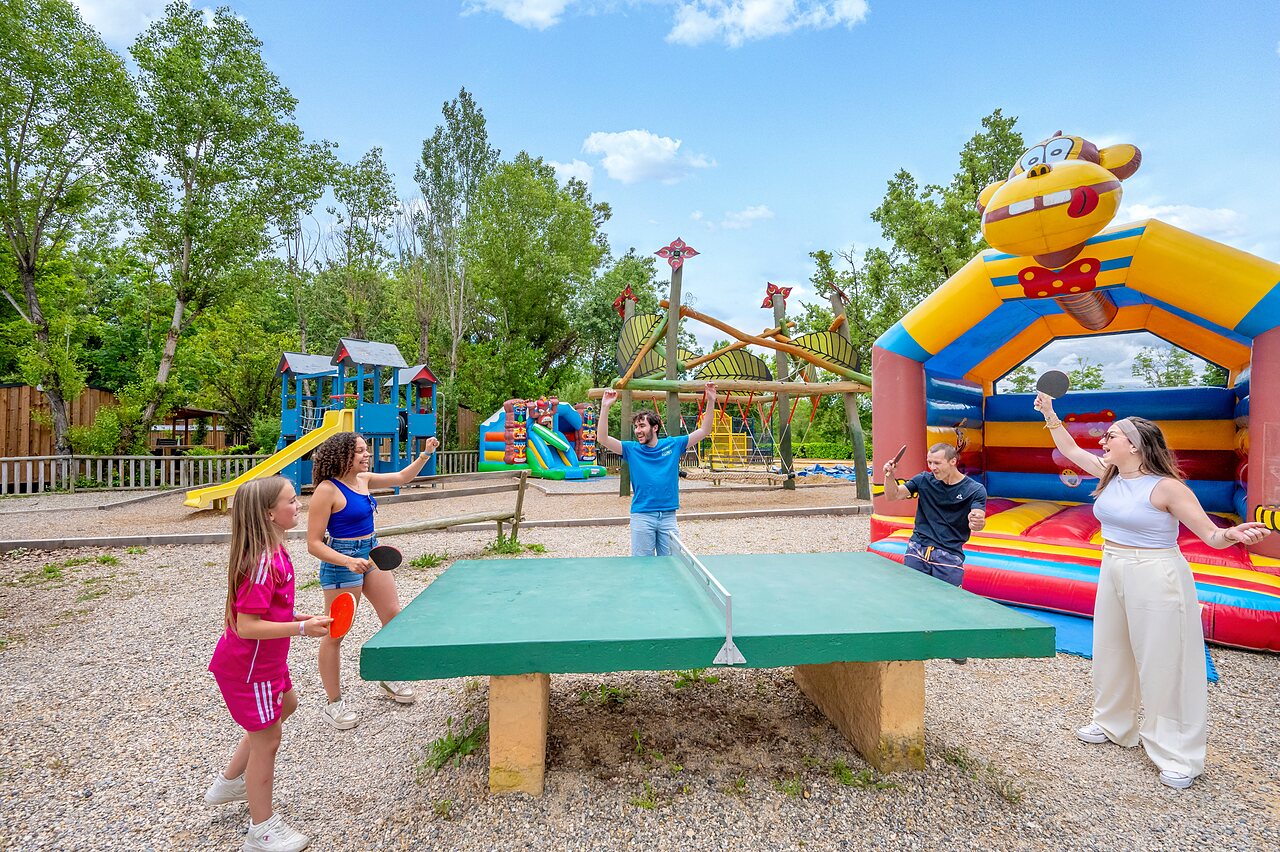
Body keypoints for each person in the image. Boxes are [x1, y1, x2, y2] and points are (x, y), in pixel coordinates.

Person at [1034, 393, 1270, 789]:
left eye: (1111, 436)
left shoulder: (1166, 487)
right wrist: (1049, 414)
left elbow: (1211, 535)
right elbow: (1070, 448)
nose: (1103, 442)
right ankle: (1113, 723)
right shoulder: (1109, 475)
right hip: (1113, 567)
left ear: (1136, 445)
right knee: (1112, 648)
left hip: (1156, 572)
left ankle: (1177, 752)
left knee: (1164, 661)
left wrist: (1233, 534)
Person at [205, 476, 330, 852]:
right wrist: (301, 628)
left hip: (266, 662)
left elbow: (271, 610)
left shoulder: (276, 551)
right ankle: (262, 830)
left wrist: (301, 617)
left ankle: (230, 783)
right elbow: (247, 625)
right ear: (268, 513)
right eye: (291, 502)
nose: (298, 506)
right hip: (249, 668)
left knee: (286, 705)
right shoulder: (262, 561)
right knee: (268, 740)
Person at [307, 432, 439, 729]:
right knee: (336, 634)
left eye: (366, 450)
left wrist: (425, 453)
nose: (366, 455)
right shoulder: (326, 491)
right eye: (360, 451)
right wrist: (347, 561)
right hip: (342, 563)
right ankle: (334, 704)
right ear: (342, 456)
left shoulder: (364, 480)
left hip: (371, 554)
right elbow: (313, 543)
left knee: (393, 616)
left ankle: (388, 675)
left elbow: (403, 477)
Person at [598, 383, 717, 555]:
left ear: (654, 428)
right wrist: (605, 407)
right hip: (642, 516)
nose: (638, 430)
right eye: (636, 426)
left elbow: (705, 430)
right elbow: (603, 438)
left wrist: (711, 400)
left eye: (642, 426)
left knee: (671, 564)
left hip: (668, 516)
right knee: (643, 566)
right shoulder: (631, 449)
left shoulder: (673, 445)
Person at [882, 442, 987, 588]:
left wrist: (977, 521)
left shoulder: (975, 490)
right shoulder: (923, 479)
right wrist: (889, 476)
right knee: (911, 598)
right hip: (917, 549)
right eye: (930, 462)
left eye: (937, 463)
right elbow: (893, 495)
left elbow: (978, 520)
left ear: (953, 462)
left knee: (947, 605)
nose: (932, 467)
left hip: (949, 556)